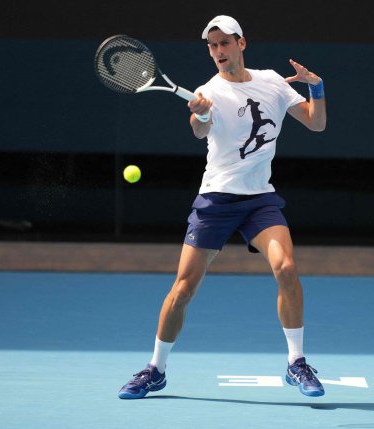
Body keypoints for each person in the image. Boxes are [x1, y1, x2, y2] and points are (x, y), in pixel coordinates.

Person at [118, 15, 327, 399]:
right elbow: (199, 128)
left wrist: (317, 86)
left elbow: (316, 123)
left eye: (224, 44)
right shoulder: (207, 91)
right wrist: (198, 112)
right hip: (216, 199)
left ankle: (297, 363)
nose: (218, 51)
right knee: (183, 289)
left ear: (241, 44)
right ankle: (155, 369)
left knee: (286, 268)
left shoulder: (273, 83)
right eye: (212, 46)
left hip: (259, 199)